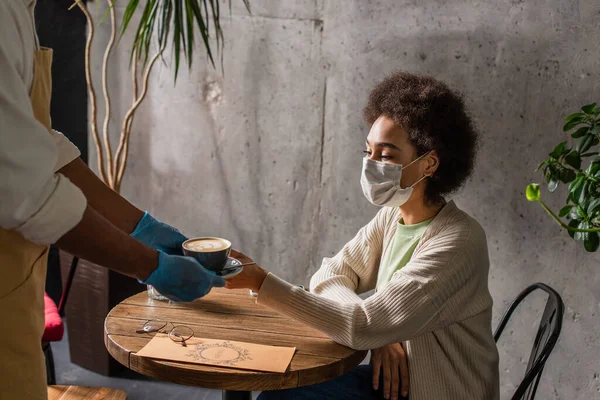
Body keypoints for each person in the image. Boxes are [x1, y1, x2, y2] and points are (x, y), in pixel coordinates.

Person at [226, 72, 500, 399]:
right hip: (395, 383)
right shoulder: (391, 218)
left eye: (385, 155)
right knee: (281, 393)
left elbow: (360, 326)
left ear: (429, 164)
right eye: (368, 151)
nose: (371, 165)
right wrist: (381, 335)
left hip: (437, 390)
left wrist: (261, 282)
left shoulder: (458, 242)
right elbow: (330, 274)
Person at [0, 1, 224, 398]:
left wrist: (139, 224)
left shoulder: (18, 11)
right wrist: (150, 265)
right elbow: (26, 190)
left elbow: (38, 146)